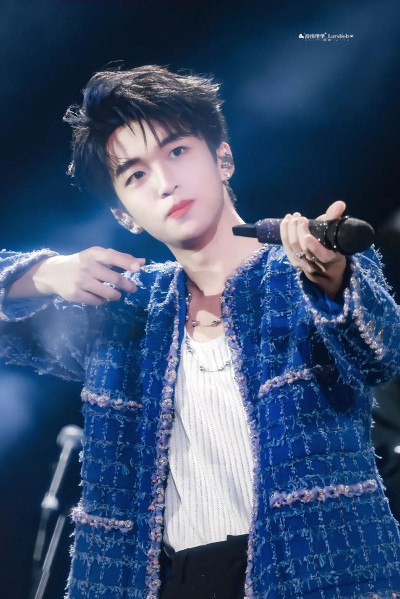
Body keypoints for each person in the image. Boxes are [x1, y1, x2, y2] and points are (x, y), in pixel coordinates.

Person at [0, 65, 400, 599]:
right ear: (124, 215)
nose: (165, 182)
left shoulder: (310, 267)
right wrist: (43, 274)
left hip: (319, 574)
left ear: (223, 158)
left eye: (177, 151)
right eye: (135, 175)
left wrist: (331, 281)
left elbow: (381, 354)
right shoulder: (124, 308)